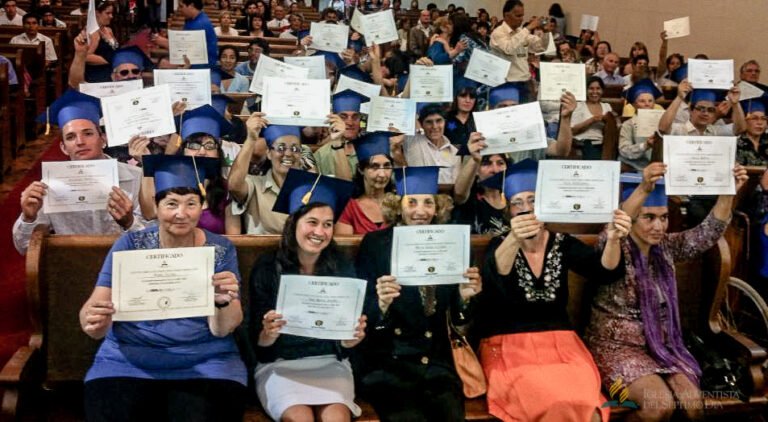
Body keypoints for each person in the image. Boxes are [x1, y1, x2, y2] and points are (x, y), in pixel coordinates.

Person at [80, 154, 247, 421]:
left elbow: (224, 327)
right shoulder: (129, 245)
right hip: (126, 363)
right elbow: (93, 311)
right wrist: (94, 319)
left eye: (191, 203)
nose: (181, 214)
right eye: (171, 204)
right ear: (156, 208)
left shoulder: (220, 249)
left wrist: (222, 301)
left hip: (205, 362)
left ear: (202, 206)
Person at [585, 163, 748, 421]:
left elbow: (708, 234)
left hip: (662, 347)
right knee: (658, 406)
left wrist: (728, 191)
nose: (659, 226)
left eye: (663, 217)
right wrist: (644, 187)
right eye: (648, 217)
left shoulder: (667, 248)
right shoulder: (614, 247)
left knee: (693, 404)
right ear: (630, 218)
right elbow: (610, 230)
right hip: (615, 349)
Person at [475, 159, 630, 421]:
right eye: (518, 203)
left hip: (562, 345)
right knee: (551, 403)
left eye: (533, 200)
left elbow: (605, 272)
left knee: (587, 404)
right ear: (509, 211)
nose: (526, 209)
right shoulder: (500, 244)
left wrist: (614, 239)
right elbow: (494, 276)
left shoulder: (562, 243)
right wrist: (514, 237)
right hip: (509, 346)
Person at [354, 166, 483, 421]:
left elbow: (458, 320)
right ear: (398, 206)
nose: (420, 211)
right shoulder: (376, 244)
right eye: (411, 202)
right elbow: (362, 313)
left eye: (428, 203)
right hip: (389, 364)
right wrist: (381, 304)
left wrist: (466, 298)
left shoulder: (454, 244)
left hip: (437, 363)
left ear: (438, 207)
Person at [251, 169, 366, 421]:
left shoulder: (341, 265)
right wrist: (268, 334)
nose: (320, 232)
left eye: (328, 224)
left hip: (329, 363)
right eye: (312, 222)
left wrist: (350, 339)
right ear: (294, 223)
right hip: (280, 365)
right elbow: (259, 347)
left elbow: (345, 345)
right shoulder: (268, 267)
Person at [13, 90, 146, 255]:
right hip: (73, 267)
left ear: (103, 139)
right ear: (63, 148)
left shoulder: (136, 177)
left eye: (88, 133)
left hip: (125, 263)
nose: (80, 142)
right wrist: (28, 217)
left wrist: (129, 222)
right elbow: (24, 248)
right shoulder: (49, 186)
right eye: (70, 137)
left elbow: (151, 242)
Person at [138, 105, 242, 235]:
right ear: (183, 150)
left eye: (210, 145)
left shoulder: (225, 188)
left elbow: (234, 237)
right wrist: (146, 163)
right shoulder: (169, 180)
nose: (202, 151)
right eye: (194, 145)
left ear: (218, 152)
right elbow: (150, 213)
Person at [229, 115, 303, 234]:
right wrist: (251, 140)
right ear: (268, 153)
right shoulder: (255, 184)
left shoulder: (310, 188)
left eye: (295, 149)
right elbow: (234, 186)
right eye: (281, 148)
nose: (288, 153)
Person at [489, 0, 550, 102]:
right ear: (507, 15)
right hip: (507, 83)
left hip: (526, 81)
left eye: (522, 16)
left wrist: (546, 32)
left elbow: (541, 47)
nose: (521, 19)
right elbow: (509, 49)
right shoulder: (498, 33)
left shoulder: (521, 32)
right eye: (518, 16)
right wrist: (528, 27)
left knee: (529, 115)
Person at [335, 132, 395, 235]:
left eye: (387, 166)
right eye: (374, 167)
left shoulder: (399, 203)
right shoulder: (349, 207)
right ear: (361, 169)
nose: (382, 174)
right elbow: (344, 247)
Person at [451, 135, 509, 235]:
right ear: (476, 170)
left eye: (500, 163)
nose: (495, 170)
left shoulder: (513, 198)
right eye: (486, 163)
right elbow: (459, 194)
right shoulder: (470, 197)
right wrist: (475, 159)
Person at [313, 90, 369, 181]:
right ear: (333, 119)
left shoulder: (370, 151)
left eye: (355, 117)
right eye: (343, 117)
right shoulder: (321, 155)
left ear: (360, 120)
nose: (350, 122)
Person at [401, 104, 461, 184]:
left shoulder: (454, 152)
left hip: (446, 195)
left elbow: (456, 185)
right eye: (429, 122)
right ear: (422, 124)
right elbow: (402, 110)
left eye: (439, 121)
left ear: (445, 122)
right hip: (419, 194)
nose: (435, 126)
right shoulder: (412, 141)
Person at [153, 0, 218, 68]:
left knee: (162, 65)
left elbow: (184, 50)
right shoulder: (192, 19)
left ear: (191, 6)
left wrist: (163, 42)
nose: (180, 9)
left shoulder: (200, 24)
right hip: (192, 62)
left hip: (201, 67)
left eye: (181, 6)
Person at [618, 79, 663, 171]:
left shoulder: (662, 123)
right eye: (642, 101)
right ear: (634, 104)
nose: (647, 104)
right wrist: (645, 145)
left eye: (650, 101)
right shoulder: (628, 125)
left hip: (659, 169)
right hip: (634, 168)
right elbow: (624, 150)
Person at [570, 76, 613, 160]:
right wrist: (592, 120)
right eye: (591, 88)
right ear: (586, 90)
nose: (595, 92)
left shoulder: (607, 106)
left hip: (604, 143)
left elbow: (611, 128)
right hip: (585, 142)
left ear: (602, 90)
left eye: (598, 88)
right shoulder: (579, 106)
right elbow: (573, 130)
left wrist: (608, 121)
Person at [81, 0, 118, 82]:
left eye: (112, 13)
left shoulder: (109, 30)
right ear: (97, 13)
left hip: (112, 71)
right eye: (108, 13)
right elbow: (86, 57)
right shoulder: (93, 32)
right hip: (99, 75)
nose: (111, 16)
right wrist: (112, 60)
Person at [736, 97, 768, 166]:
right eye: (754, 118)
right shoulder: (736, 144)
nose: (760, 122)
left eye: (763, 118)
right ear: (744, 121)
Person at [444, 82, 477, 146]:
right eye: (463, 96)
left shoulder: (480, 120)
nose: (468, 100)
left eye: (472, 97)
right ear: (455, 98)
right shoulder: (444, 119)